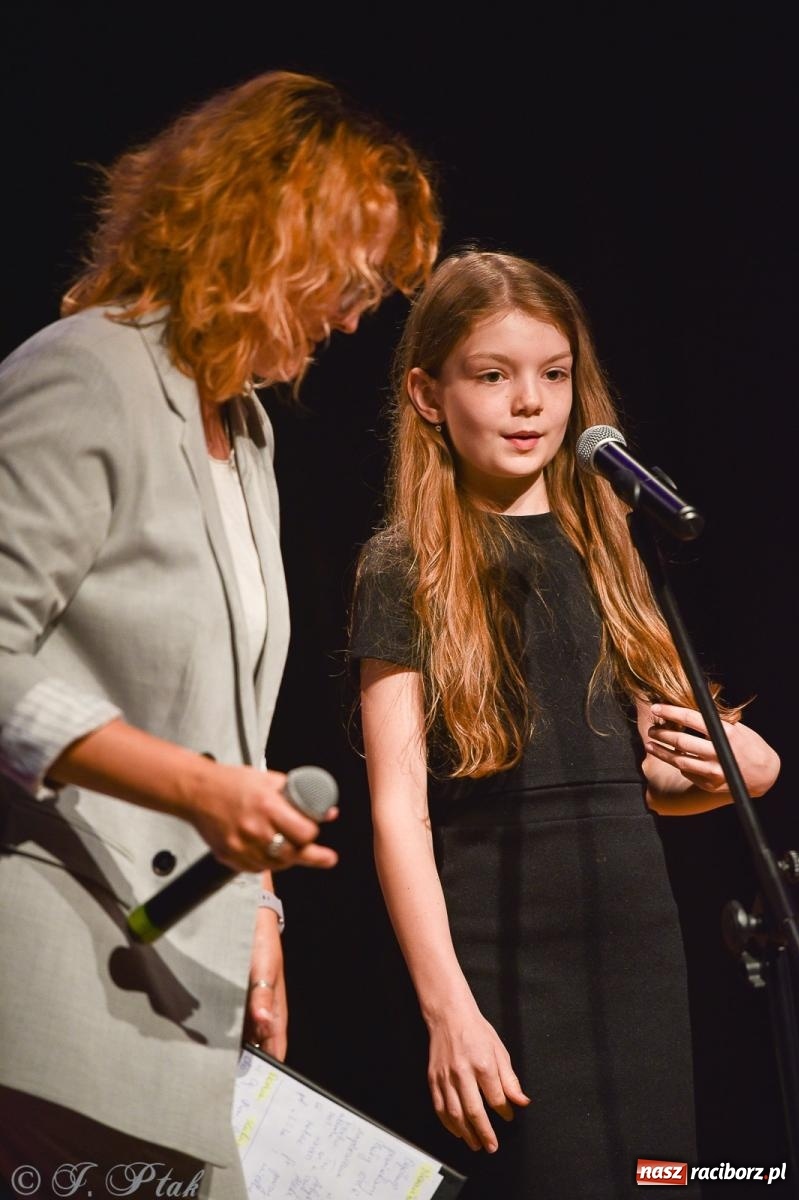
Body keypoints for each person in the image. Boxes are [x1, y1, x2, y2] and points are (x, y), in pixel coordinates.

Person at [0, 70, 440, 1199]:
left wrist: (254, 908)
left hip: (175, 987)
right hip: (51, 983)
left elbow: (215, 716)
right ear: (266, 235)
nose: (355, 316)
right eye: (350, 279)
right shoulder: (86, 372)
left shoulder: (244, 433)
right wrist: (201, 794)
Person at [348, 249, 780, 1198]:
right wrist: (447, 1010)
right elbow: (396, 812)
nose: (529, 404)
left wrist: (744, 772)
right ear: (427, 394)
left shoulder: (608, 534)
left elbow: (651, 777)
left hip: (635, 943)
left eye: (551, 375)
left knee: (661, 1178)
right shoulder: (404, 562)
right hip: (501, 953)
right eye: (492, 376)